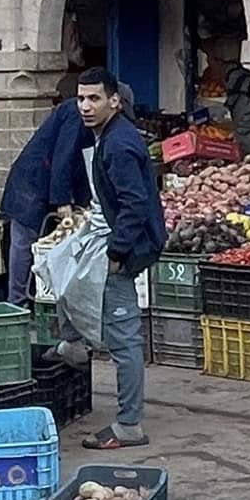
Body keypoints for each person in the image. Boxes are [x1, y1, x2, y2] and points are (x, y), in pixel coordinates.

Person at [57, 67, 164, 450]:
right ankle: (73, 343)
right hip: (113, 237)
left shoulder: (118, 144)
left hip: (127, 248)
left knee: (124, 339)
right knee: (61, 270)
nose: (85, 106)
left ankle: (129, 424)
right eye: (81, 98)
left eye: (94, 99)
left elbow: (135, 204)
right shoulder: (106, 137)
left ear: (114, 101)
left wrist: (118, 252)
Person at [0, 97, 89, 305]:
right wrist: (63, 200)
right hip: (31, 183)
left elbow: (81, 162)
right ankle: (17, 302)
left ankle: (34, 298)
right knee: (24, 241)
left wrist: (84, 200)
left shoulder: (84, 116)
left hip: (41, 180)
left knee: (37, 243)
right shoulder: (76, 116)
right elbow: (63, 156)